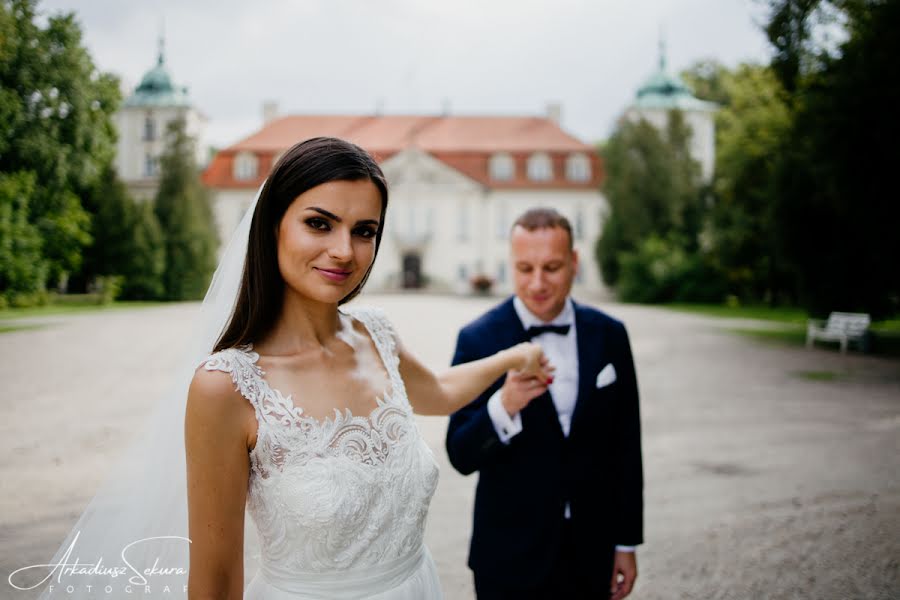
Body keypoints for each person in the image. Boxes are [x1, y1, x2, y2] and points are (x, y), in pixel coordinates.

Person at [34, 138, 552, 600]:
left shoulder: (376, 333)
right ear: (272, 224)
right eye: (319, 223)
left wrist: (514, 358)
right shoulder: (227, 388)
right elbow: (213, 585)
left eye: (365, 230)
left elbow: (437, 391)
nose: (344, 251)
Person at [446, 208, 644, 600]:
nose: (537, 283)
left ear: (574, 262)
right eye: (524, 268)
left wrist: (626, 543)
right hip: (508, 556)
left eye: (551, 267)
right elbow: (460, 454)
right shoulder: (477, 339)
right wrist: (505, 406)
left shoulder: (610, 335)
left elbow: (625, 446)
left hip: (592, 551)